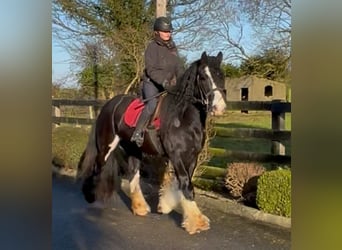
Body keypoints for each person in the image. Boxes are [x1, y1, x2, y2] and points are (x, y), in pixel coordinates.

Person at [131, 16, 184, 147]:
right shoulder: (151, 48)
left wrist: (182, 81)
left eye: (169, 31)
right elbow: (151, 70)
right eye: (165, 31)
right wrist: (164, 82)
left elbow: (178, 66)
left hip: (168, 84)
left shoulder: (172, 48)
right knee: (152, 104)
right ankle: (138, 132)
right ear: (157, 32)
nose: (168, 34)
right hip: (152, 83)